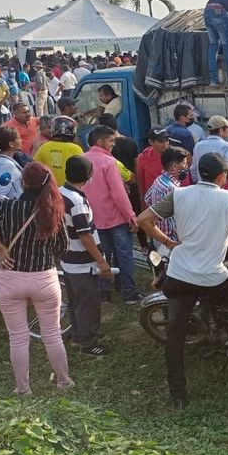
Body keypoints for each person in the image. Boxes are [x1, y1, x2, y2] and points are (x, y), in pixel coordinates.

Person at [139, 153, 228, 406]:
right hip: (211, 279)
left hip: (179, 276)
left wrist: (168, 242)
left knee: (175, 334)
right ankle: (211, 308)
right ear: (222, 176)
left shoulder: (179, 194)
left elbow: (143, 220)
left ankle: (178, 394)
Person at [0, 162, 72, 395]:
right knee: (52, 335)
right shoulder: (52, 209)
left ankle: (23, 389)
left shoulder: (7, 207)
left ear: (23, 182)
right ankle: (64, 382)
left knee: (17, 338)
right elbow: (63, 246)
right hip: (44, 278)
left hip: (10, 278)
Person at [60, 155, 112, 356]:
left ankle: (78, 335)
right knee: (88, 303)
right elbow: (86, 236)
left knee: (75, 302)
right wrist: (101, 261)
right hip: (83, 262)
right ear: (87, 176)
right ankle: (89, 344)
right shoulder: (77, 202)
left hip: (68, 259)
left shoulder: (61, 192)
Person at [83, 125, 141, 304]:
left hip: (93, 218)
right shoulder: (109, 162)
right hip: (116, 218)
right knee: (124, 256)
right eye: (111, 141)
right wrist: (130, 216)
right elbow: (118, 193)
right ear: (100, 141)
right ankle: (129, 292)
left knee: (102, 256)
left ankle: (104, 292)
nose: (113, 144)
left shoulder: (82, 159)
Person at [144, 147, 188, 252]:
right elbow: (172, 224)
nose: (186, 167)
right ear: (175, 166)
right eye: (184, 164)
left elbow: (147, 198)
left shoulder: (159, 179)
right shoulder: (171, 189)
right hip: (170, 243)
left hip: (159, 238)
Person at [34, 116, 84, 186]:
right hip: (69, 189)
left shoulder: (45, 146)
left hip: (50, 189)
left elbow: (35, 166)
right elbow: (83, 170)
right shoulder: (76, 148)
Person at [191, 116, 228, 183]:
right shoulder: (227, 146)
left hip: (201, 185)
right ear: (221, 130)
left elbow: (193, 170)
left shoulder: (198, 145)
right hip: (220, 187)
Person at [0, 126, 25, 202]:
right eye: (18, 138)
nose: (21, 140)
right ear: (11, 144)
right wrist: (15, 205)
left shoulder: (5, 161)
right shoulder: (6, 165)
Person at [134, 127, 171, 199]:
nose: (165, 144)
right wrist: (143, 201)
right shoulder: (142, 158)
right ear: (150, 142)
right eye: (161, 141)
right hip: (152, 201)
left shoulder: (175, 155)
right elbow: (141, 182)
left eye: (167, 140)